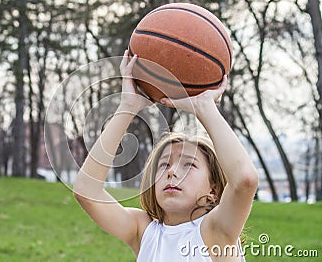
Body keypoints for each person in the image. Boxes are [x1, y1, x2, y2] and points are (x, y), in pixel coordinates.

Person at [73, 50, 258, 261]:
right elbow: (86, 191)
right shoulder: (143, 232)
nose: (171, 171)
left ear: (214, 189)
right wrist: (128, 107)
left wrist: (205, 108)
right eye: (164, 165)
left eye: (188, 165)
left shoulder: (217, 232)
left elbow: (245, 179)